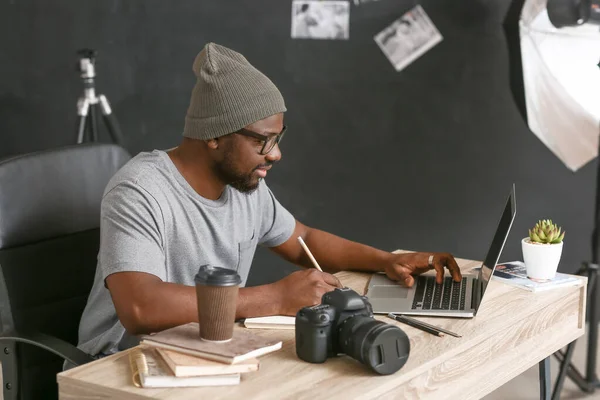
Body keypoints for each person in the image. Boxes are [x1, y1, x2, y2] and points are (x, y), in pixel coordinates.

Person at [76, 42, 462, 359]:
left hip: (209, 356)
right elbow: (140, 308)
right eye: (263, 140)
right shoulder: (139, 191)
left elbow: (304, 241)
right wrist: (273, 298)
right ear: (214, 134)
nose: (275, 154)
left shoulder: (245, 187)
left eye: (278, 138)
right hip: (124, 365)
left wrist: (386, 260)